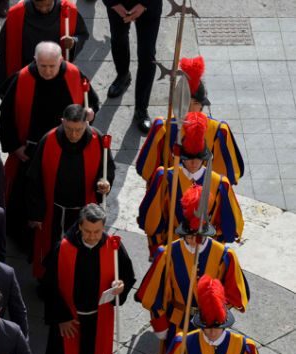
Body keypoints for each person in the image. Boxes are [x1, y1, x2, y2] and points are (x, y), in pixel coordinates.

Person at [0, 41, 97, 251]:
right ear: (35, 61)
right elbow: (6, 116)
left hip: (65, 150)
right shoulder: (22, 79)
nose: (48, 71)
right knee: (27, 194)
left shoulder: (74, 74)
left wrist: (90, 113)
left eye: (52, 66)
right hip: (30, 151)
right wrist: (15, 147)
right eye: (43, 66)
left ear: (61, 60)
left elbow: (91, 103)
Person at [41, 204, 135, 354]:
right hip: (69, 321)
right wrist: (62, 318)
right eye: (88, 231)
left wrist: (120, 286)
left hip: (98, 318)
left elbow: (128, 276)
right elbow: (49, 285)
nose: (93, 237)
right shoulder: (63, 248)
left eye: (97, 231)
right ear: (79, 227)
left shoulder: (113, 246)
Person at [135, 186, 250, 345]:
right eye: (190, 236)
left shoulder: (225, 256)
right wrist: (160, 324)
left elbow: (234, 293)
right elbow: (156, 293)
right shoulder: (168, 254)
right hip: (177, 323)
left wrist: (216, 311)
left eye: (199, 236)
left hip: (210, 326)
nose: (195, 241)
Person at [27, 104, 115, 278]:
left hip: (83, 211)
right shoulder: (48, 140)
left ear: (86, 124)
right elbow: (33, 179)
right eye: (69, 129)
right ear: (62, 122)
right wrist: (36, 214)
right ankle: (50, 282)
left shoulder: (97, 140)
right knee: (52, 250)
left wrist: (104, 184)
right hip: (54, 211)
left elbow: (107, 170)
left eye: (79, 129)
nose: (74, 135)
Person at [137, 111, 243, 256]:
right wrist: (159, 247)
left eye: (198, 158)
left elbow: (229, 226)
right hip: (173, 249)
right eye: (188, 158)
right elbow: (153, 219)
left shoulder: (219, 184)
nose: (193, 163)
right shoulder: (165, 178)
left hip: (206, 246)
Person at [136, 55, 244, 184]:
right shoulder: (163, 128)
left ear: (202, 105)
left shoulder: (218, 131)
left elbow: (225, 178)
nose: (191, 109)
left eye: (196, 103)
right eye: (186, 104)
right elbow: (148, 172)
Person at [0, 0, 88, 95]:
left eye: (48, 5)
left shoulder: (68, 10)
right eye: (38, 6)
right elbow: (7, 49)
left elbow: (82, 34)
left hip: (55, 73)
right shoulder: (17, 14)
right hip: (26, 73)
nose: (43, 9)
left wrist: (73, 41)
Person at [103, 0, 162, 132]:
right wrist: (112, 4)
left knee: (147, 54)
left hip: (149, 6)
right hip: (118, 4)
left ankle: (141, 108)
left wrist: (144, 5)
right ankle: (123, 75)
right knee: (118, 39)